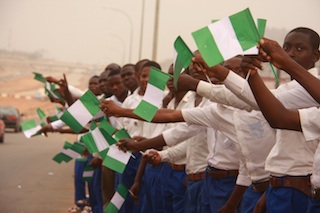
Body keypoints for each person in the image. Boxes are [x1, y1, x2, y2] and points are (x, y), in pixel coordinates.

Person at [189, 27, 320, 212]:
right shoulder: (291, 88)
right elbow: (261, 101)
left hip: (298, 186)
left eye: (300, 49)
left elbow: (262, 104)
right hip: (279, 184)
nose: (290, 53)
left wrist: (212, 75)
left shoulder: (311, 90)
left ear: (316, 55)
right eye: (286, 47)